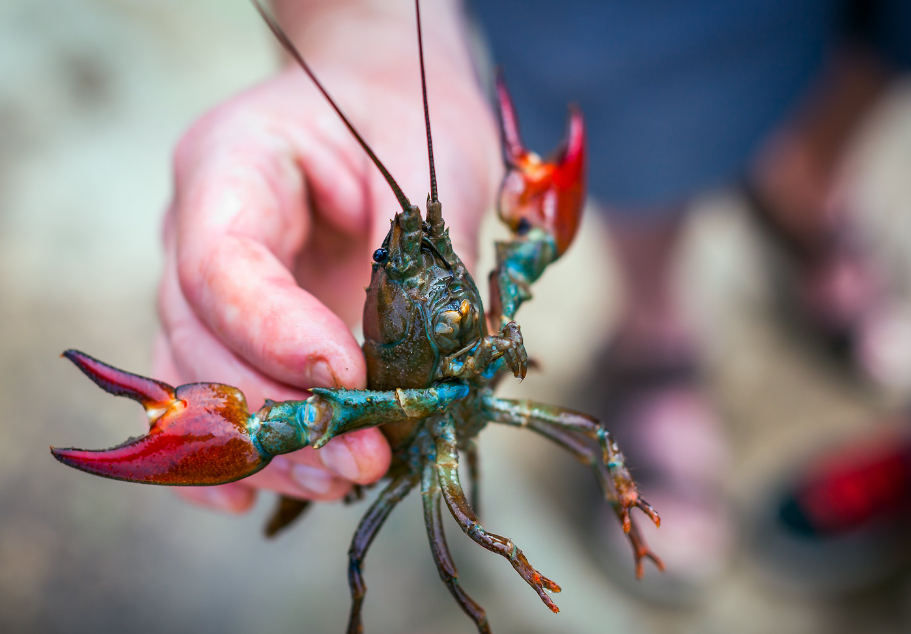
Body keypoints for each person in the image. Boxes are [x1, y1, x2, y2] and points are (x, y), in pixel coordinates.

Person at [158, 0, 911, 602]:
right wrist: (357, 26)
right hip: (402, 444)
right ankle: (655, 337)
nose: (427, 264)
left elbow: (514, 287)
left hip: (463, 402)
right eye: (401, 265)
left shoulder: (463, 293)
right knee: (654, 76)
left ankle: (803, 201)